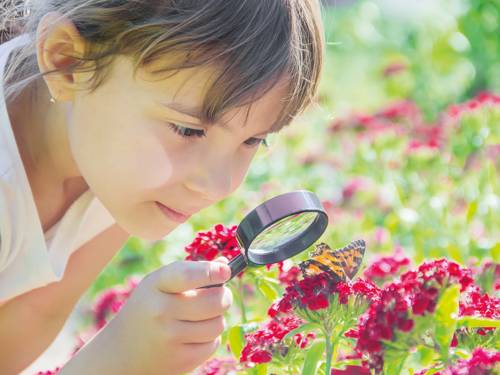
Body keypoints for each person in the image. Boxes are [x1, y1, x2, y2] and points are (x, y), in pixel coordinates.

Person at [0, 0, 324, 373]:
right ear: (66, 62)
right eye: (188, 130)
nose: (217, 185)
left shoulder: (109, 153)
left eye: (254, 140)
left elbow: (39, 310)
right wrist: (115, 361)